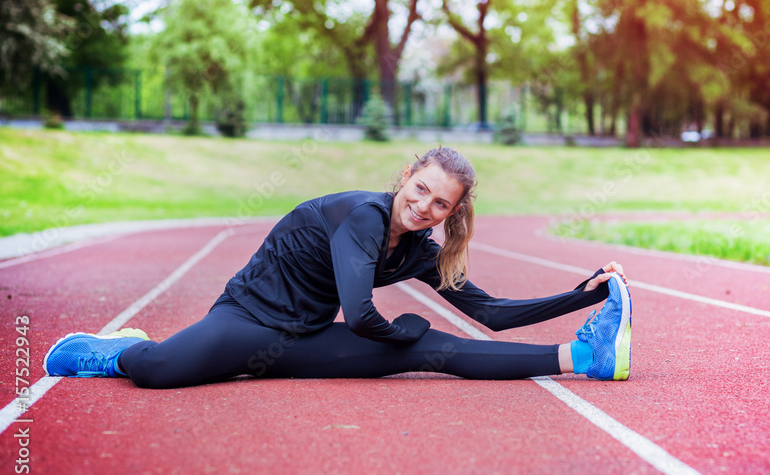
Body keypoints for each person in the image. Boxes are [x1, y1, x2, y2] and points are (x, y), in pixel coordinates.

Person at [43, 146, 632, 387]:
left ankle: (583, 357)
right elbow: (361, 311)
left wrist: (583, 296)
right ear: (406, 177)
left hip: (304, 337)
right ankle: (116, 349)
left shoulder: (420, 249)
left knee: (434, 352)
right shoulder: (361, 217)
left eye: (440, 204)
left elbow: (492, 314)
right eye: (420, 189)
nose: (424, 207)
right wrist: (403, 328)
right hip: (249, 320)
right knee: (159, 373)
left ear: (451, 212)